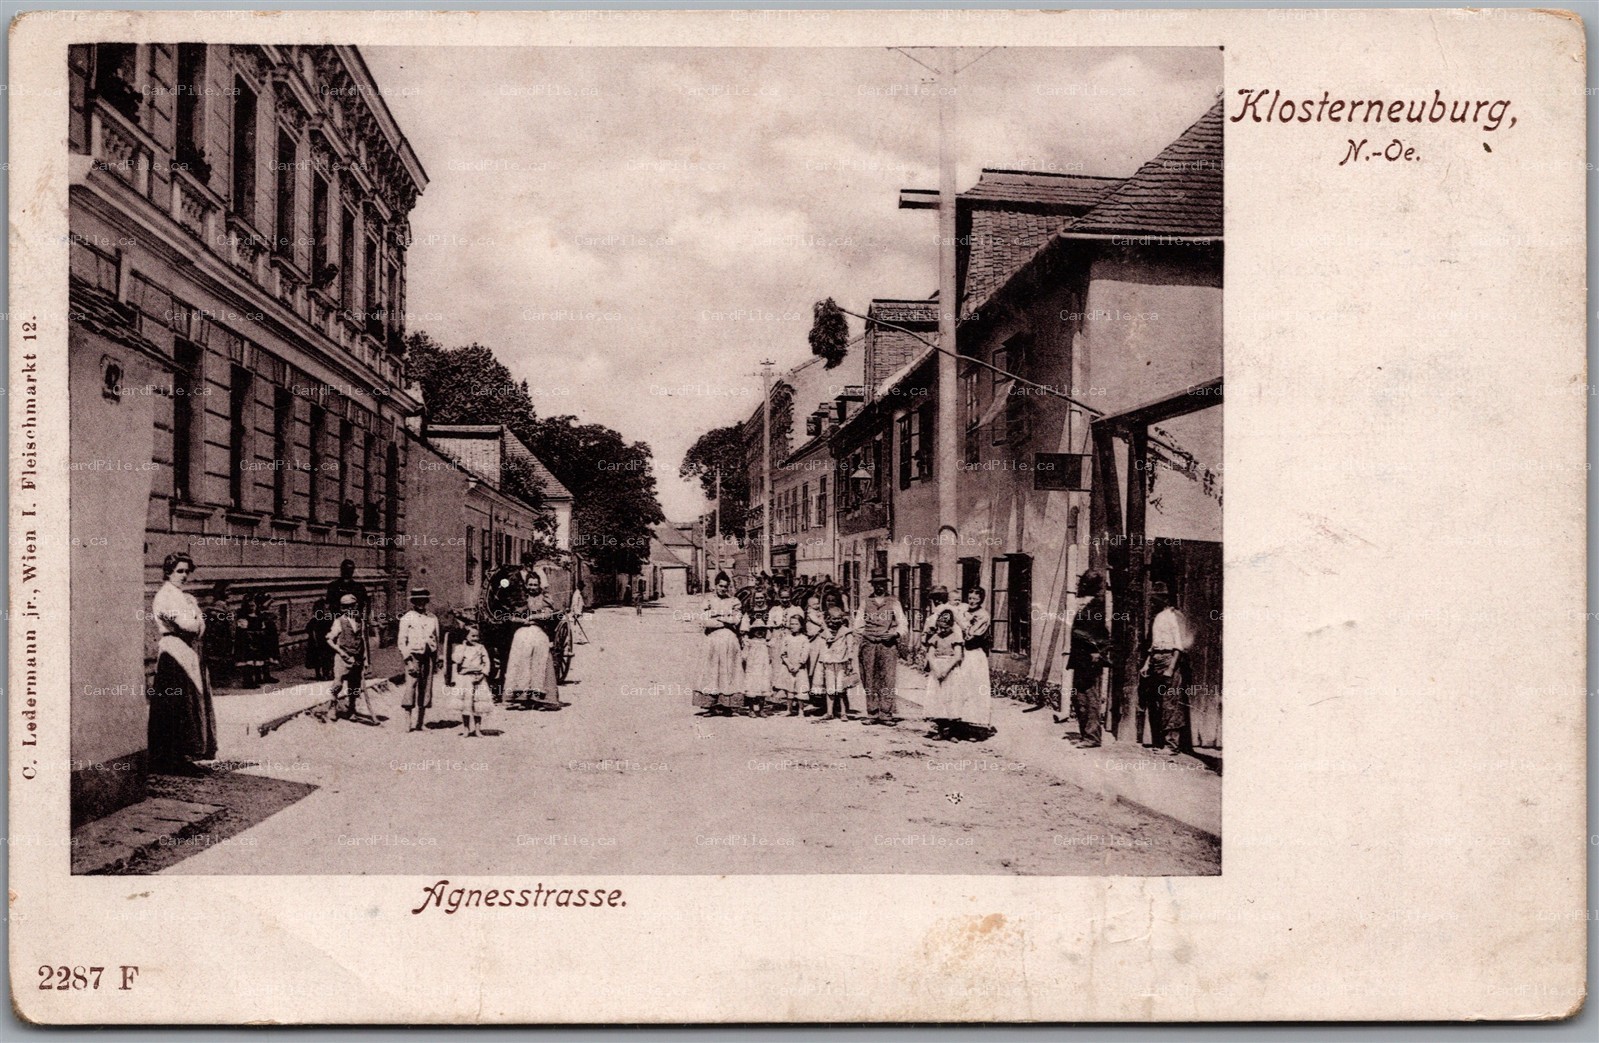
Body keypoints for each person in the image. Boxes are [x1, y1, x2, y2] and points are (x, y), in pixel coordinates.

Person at [148, 553, 218, 774]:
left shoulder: (184, 596)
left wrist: (196, 619)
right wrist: (196, 618)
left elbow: (200, 627)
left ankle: (184, 755)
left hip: (188, 652)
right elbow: (189, 625)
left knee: (189, 702)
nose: (184, 575)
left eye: (187, 571)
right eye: (180, 571)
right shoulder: (165, 596)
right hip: (174, 652)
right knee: (175, 705)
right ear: (168, 572)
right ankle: (170, 759)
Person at [1141, 581, 1195, 756]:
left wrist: (1171, 668)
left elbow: (1179, 646)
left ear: (1165, 599)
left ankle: (1172, 745)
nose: (1153, 601)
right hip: (1156, 660)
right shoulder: (1158, 617)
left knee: (1170, 702)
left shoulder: (1175, 616)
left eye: (1156, 598)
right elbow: (1154, 644)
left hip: (1169, 659)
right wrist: (1147, 663)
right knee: (1159, 702)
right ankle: (1161, 741)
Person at [854, 570, 907, 725]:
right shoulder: (866, 602)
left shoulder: (894, 602)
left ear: (886, 584)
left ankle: (886, 713)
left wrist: (894, 634)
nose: (880, 587)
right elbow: (857, 625)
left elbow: (903, 623)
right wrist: (866, 634)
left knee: (888, 678)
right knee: (869, 677)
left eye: (882, 583)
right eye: (877, 584)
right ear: (873, 585)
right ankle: (872, 713)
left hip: (887, 645)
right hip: (869, 644)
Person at [1065, 571, 1111, 748]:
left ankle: (1092, 737)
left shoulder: (1097, 606)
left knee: (1090, 697)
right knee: (1080, 698)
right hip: (1080, 658)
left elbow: (1101, 634)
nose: (1079, 586)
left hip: (1090, 659)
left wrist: (1097, 652)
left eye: (1083, 583)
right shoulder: (1084, 604)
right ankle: (1085, 734)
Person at [502, 570, 561, 709]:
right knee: (520, 658)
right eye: (530, 584)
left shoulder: (545, 598)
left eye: (535, 584)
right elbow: (511, 616)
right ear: (526, 585)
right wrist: (521, 620)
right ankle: (521, 698)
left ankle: (542, 699)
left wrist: (532, 617)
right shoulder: (521, 597)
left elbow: (547, 614)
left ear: (539, 585)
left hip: (538, 630)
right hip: (522, 631)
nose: (532, 587)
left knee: (539, 657)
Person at [693, 572, 744, 715]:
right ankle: (711, 705)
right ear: (715, 586)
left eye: (725, 587)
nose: (723, 589)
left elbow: (736, 620)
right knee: (711, 671)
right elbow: (704, 621)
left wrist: (717, 616)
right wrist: (725, 620)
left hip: (729, 641)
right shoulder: (708, 600)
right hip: (712, 640)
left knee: (728, 670)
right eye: (721, 586)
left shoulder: (733, 601)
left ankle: (727, 706)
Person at [949, 587, 994, 739]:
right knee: (960, 688)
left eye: (975, 599)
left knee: (974, 689)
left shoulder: (983, 616)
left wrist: (959, 621)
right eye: (970, 598)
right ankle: (959, 725)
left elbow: (970, 635)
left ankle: (975, 727)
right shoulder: (964, 610)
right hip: (961, 653)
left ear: (981, 599)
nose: (972, 601)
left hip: (974, 655)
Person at [397, 588, 440, 731]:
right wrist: (408, 661)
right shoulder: (407, 617)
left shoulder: (432, 618)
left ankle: (420, 723)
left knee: (426, 687)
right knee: (411, 686)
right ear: (413, 602)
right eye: (418, 600)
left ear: (426, 601)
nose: (421, 603)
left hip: (428, 656)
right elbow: (401, 642)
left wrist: (435, 658)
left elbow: (436, 638)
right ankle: (407, 722)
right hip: (413, 656)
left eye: (423, 600)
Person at [921, 608, 965, 741]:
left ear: (951, 626)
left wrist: (946, 670)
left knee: (951, 699)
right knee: (938, 699)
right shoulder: (935, 637)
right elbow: (930, 655)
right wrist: (936, 669)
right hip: (937, 670)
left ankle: (952, 732)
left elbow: (957, 656)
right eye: (940, 628)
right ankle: (940, 730)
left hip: (950, 670)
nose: (942, 630)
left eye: (946, 628)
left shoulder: (956, 637)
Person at [807, 608, 859, 720]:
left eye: (839, 619)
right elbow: (821, 649)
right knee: (830, 688)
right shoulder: (824, 633)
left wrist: (850, 663)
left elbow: (850, 649)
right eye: (833, 619)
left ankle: (843, 712)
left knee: (841, 688)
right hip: (829, 663)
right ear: (829, 619)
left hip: (841, 663)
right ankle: (829, 712)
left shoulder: (846, 632)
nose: (836, 621)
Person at [327, 593, 370, 722]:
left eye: (352, 606)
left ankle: (351, 709)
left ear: (356, 606)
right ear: (342, 608)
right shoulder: (339, 621)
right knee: (338, 684)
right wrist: (341, 653)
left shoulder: (360, 621)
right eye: (346, 607)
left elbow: (363, 641)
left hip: (357, 658)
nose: (349, 609)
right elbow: (329, 640)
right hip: (343, 658)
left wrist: (366, 661)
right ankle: (332, 706)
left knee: (354, 686)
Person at [452, 619, 493, 737]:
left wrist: (482, 674)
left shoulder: (481, 648)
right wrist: (463, 647)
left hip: (478, 678)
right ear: (465, 636)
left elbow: (487, 662)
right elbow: (457, 660)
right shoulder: (460, 648)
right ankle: (466, 729)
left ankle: (477, 729)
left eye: (477, 636)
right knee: (466, 704)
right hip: (465, 679)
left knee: (478, 705)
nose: (475, 638)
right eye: (472, 636)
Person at [740, 590, 776, 717]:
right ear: (753, 599)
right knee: (751, 680)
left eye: (761, 598)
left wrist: (770, 648)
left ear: (765, 599)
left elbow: (770, 631)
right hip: (753, 652)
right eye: (757, 598)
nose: (759, 600)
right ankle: (751, 709)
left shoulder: (769, 613)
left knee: (764, 679)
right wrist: (746, 646)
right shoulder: (749, 613)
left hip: (764, 651)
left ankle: (761, 708)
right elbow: (744, 632)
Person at [773, 609, 812, 716]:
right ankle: (789, 709)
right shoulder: (787, 638)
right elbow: (783, 653)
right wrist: (789, 664)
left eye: (796, 624)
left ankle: (801, 710)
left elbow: (805, 654)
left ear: (801, 625)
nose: (793, 626)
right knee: (789, 688)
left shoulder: (804, 639)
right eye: (791, 624)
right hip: (788, 667)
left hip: (800, 668)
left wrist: (798, 665)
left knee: (800, 688)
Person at [254, 592, 280, 684]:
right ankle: (258, 677)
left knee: (267, 657)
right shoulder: (257, 613)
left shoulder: (266, 613)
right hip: (261, 638)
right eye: (268, 602)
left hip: (268, 638)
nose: (269, 605)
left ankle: (266, 675)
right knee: (259, 657)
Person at [305, 596, 334, 681]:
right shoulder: (318, 621)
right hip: (319, 642)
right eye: (326, 609)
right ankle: (322, 674)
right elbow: (309, 630)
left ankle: (325, 673)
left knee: (325, 658)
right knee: (320, 658)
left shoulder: (325, 620)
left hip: (323, 642)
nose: (327, 611)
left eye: (328, 609)